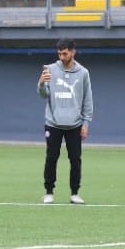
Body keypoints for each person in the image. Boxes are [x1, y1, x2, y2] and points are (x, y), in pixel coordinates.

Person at [39, 38, 93, 204]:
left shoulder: (83, 73)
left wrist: (86, 123)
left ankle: (74, 193)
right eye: (59, 54)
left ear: (73, 52)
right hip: (53, 123)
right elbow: (43, 95)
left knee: (75, 159)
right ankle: (49, 192)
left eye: (65, 53)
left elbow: (87, 100)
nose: (62, 57)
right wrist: (41, 83)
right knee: (51, 157)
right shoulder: (50, 69)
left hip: (75, 124)